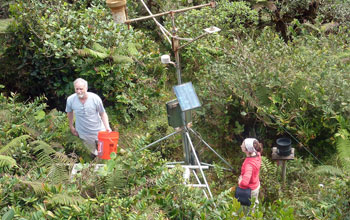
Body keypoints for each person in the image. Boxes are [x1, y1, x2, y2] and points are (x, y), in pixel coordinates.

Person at [66, 78, 111, 156]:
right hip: (84, 133)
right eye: (77, 89)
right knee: (92, 154)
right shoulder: (70, 100)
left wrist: (107, 127)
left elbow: (102, 113)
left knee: (105, 153)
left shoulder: (95, 98)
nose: (79, 91)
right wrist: (71, 126)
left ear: (86, 88)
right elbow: (69, 113)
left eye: (81, 89)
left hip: (99, 130)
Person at [238, 138, 263, 210]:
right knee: (254, 204)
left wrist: (240, 182)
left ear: (247, 150)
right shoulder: (257, 154)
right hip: (256, 185)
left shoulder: (249, 165)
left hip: (249, 191)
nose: (241, 146)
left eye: (242, 145)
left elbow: (245, 183)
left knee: (246, 210)